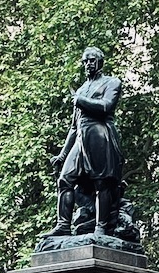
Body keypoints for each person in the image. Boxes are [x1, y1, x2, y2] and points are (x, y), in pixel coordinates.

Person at [50, 47, 124, 237]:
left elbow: (107, 106)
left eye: (92, 60)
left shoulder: (112, 82)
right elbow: (74, 127)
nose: (88, 64)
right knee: (65, 179)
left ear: (100, 62)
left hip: (100, 135)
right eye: (85, 61)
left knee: (102, 183)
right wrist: (63, 154)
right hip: (81, 138)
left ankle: (101, 227)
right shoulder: (82, 89)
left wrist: (80, 101)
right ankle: (63, 225)